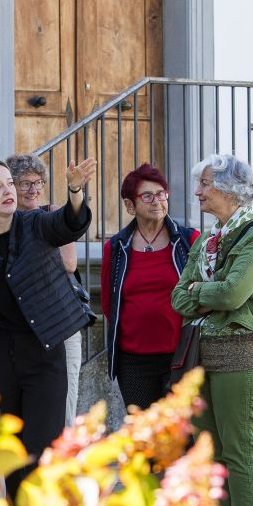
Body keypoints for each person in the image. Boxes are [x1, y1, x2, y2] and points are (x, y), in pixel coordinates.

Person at [0, 156, 96, 501]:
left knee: (42, 453)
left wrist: (75, 190)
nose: (9, 191)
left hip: (44, 355)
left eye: (10, 184)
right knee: (11, 458)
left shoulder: (35, 224)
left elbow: (69, 225)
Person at [170, 154, 253, 506]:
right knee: (210, 456)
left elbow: (234, 294)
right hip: (201, 358)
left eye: (205, 184)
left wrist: (199, 290)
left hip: (242, 357)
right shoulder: (206, 241)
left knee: (239, 453)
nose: (196, 191)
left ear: (230, 190)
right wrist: (203, 291)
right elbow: (177, 297)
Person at [101, 163, 200, 411]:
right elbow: (108, 302)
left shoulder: (188, 241)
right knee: (144, 437)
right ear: (129, 205)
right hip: (133, 361)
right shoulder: (115, 247)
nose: (157, 201)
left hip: (181, 357)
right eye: (147, 196)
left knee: (181, 436)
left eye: (161, 194)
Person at [3, 154, 87, 426]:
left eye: (38, 182)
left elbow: (69, 263)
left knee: (64, 406)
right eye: (25, 183)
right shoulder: (2, 223)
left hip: (61, 323)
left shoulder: (53, 215)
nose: (34, 190)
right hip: (21, 327)